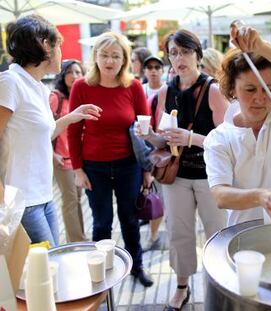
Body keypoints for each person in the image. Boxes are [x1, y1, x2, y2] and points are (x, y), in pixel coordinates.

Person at [136, 29, 228, 310]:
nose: (180, 58)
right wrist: (148, 134)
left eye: (186, 52)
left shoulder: (212, 89)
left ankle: (221, 283)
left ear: (198, 55)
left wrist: (192, 139)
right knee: (179, 232)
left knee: (216, 231)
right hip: (175, 176)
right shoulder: (165, 92)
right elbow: (164, 139)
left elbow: (227, 139)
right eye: (174, 53)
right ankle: (181, 287)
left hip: (211, 176)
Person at [0, 15, 101, 247]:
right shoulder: (10, 82)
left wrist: (73, 116)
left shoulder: (38, 88)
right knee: (44, 270)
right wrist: (3, 200)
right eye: (59, 46)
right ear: (45, 45)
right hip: (19, 201)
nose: (62, 53)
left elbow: (43, 134)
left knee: (51, 267)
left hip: (44, 196)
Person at [203, 24, 271, 228]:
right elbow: (221, 194)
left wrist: (261, 46)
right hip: (245, 236)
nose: (260, 98)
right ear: (233, 89)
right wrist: (261, 196)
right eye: (250, 89)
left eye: (268, 89)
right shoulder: (220, 138)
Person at [67, 32, 153, 287]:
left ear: (124, 59)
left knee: (129, 219)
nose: (109, 60)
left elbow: (145, 130)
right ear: (95, 57)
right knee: (102, 222)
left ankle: (137, 266)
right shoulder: (81, 86)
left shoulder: (133, 86)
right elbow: (73, 130)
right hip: (94, 168)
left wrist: (147, 170)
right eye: (104, 55)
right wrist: (78, 169)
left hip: (129, 165)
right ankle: (102, 271)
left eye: (116, 55)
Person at [50, 59, 87, 243]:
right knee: (70, 200)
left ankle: (80, 237)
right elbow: (44, 128)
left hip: (77, 159)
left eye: (79, 72)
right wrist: (51, 154)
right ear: (62, 76)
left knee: (77, 199)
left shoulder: (81, 96)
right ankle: (76, 241)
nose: (75, 76)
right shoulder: (56, 98)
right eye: (70, 72)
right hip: (60, 159)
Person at [141, 55, 166, 251]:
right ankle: (153, 235)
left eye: (157, 66)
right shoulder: (141, 92)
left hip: (170, 153)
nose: (154, 70)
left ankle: (160, 235)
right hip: (149, 154)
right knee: (154, 199)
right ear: (144, 71)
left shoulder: (170, 90)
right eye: (149, 67)